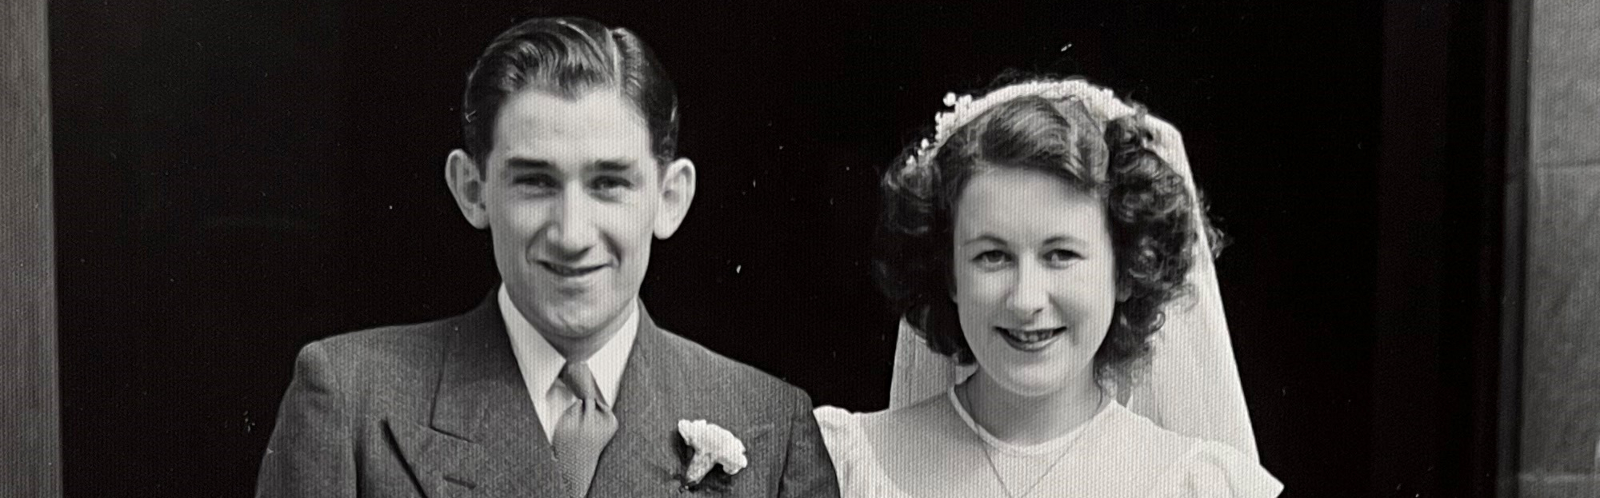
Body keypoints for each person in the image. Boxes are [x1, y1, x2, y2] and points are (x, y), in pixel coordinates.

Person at [256, 17, 839, 498]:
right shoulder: (352, 399)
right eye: (535, 182)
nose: (571, 233)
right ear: (471, 188)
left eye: (609, 183)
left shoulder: (771, 427)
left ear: (670, 199)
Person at [814, 77, 1283, 497]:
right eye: (992, 256)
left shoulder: (1203, 487)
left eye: (1061, 255)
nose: (1026, 300)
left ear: (1125, 272)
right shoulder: (846, 465)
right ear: (949, 273)